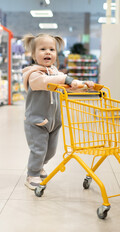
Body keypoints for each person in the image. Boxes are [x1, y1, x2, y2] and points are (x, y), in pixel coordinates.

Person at [22, 33, 94, 190]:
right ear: (34, 55)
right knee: (39, 149)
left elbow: (68, 86)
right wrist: (65, 79)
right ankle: (31, 174)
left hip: (54, 121)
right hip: (37, 121)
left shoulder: (56, 73)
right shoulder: (34, 74)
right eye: (42, 49)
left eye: (51, 49)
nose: (48, 52)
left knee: (51, 151)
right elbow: (45, 82)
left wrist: (83, 85)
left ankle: (40, 165)